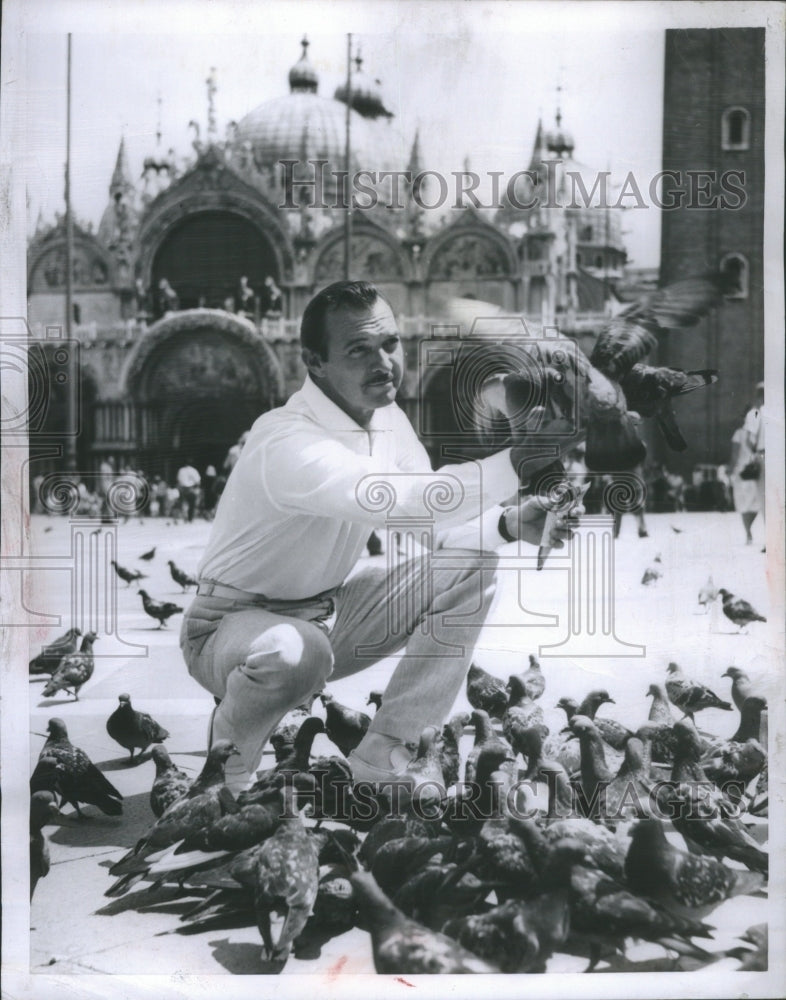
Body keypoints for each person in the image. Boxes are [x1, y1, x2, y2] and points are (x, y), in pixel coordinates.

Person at [180, 281, 578, 794]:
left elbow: (431, 522)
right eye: (359, 349)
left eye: (390, 343)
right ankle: (225, 779)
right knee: (295, 652)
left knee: (471, 566)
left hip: (327, 617)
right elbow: (395, 502)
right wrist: (523, 457)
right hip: (228, 628)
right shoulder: (287, 438)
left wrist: (507, 524)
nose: (383, 361)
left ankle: (383, 762)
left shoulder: (387, 420)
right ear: (315, 362)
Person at [743, 382, 765, 550]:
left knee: (765, 498)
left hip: (764, 456)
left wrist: (753, 455)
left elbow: (750, 439)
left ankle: (772, 539)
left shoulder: (756, 413)